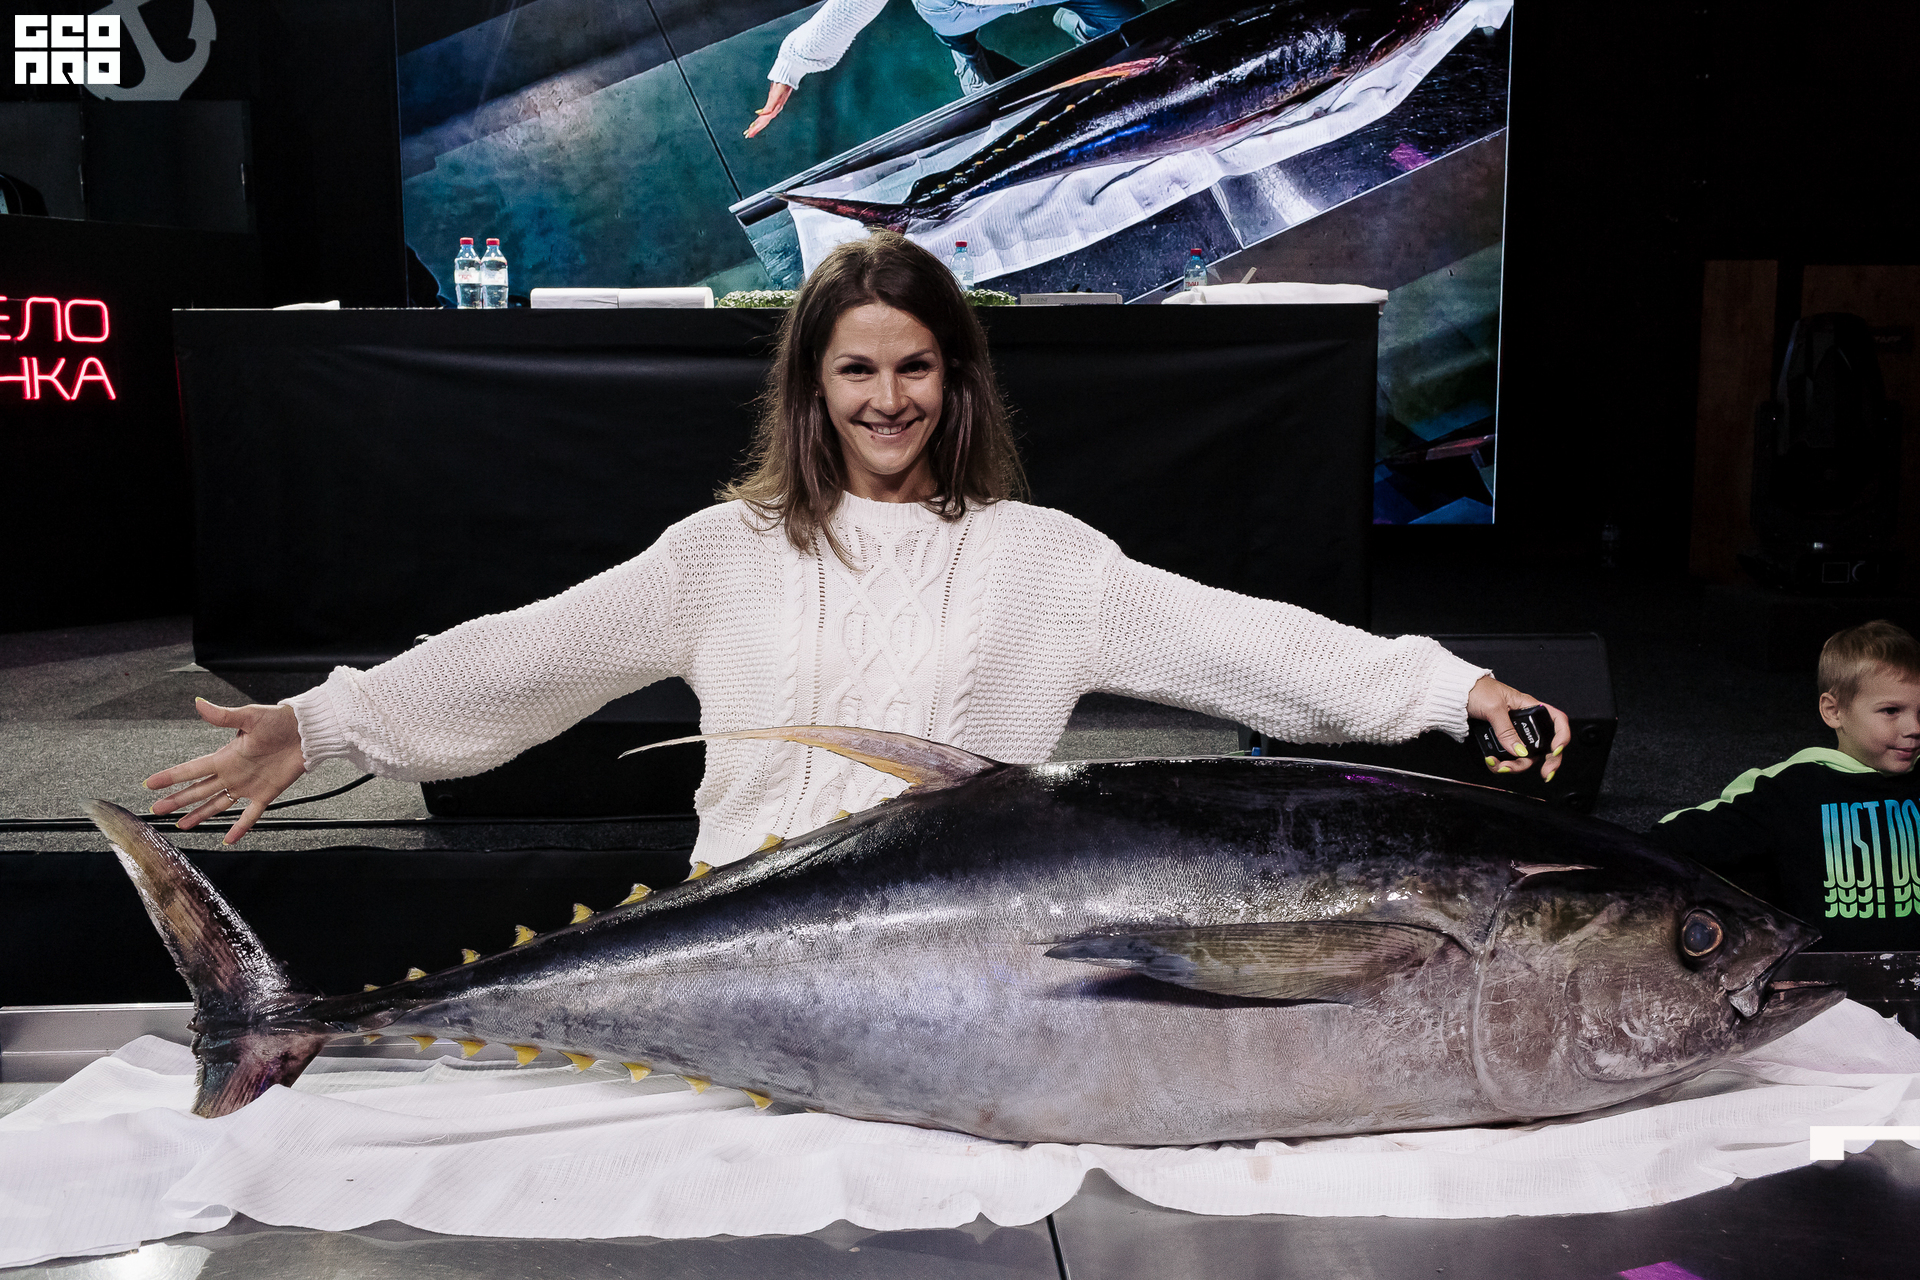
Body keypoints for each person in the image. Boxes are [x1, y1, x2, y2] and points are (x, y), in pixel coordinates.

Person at [144, 231, 1569, 866]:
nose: (889, 399)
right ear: (812, 389)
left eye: (916, 367)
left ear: (957, 381)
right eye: (857, 370)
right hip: (741, 933)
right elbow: (532, 655)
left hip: (961, 944)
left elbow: (1245, 642)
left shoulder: (1044, 561)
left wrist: (1445, 687)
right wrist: (320, 723)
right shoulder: (724, 554)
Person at [1647, 620, 1920, 950]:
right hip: (1829, 976)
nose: (1914, 727)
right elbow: (1674, 839)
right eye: (1891, 711)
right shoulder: (1790, 788)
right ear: (1834, 711)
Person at [745, 0, 1147, 138]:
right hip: (959, 8)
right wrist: (791, 66)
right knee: (959, 38)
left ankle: (1087, 27)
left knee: (1131, 24)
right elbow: (853, 5)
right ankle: (967, 57)